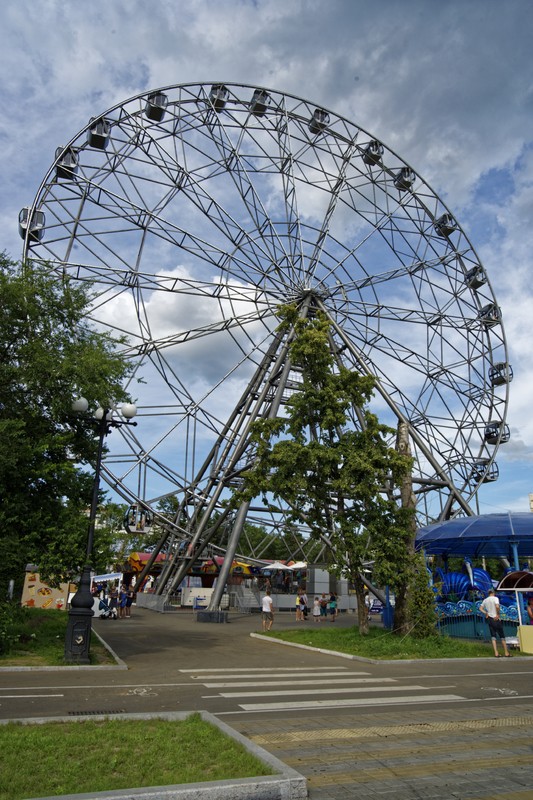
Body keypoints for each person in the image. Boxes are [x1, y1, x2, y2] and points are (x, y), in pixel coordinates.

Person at [480, 588, 510, 657]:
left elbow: (480, 608)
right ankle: (506, 652)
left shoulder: (485, 600)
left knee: (493, 636)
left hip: (490, 619)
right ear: (493, 593)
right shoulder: (495, 598)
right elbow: (497, 606)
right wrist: (498, 614)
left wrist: (486, 613)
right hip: (496, 619)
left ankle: (496, 653)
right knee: (502, 636)